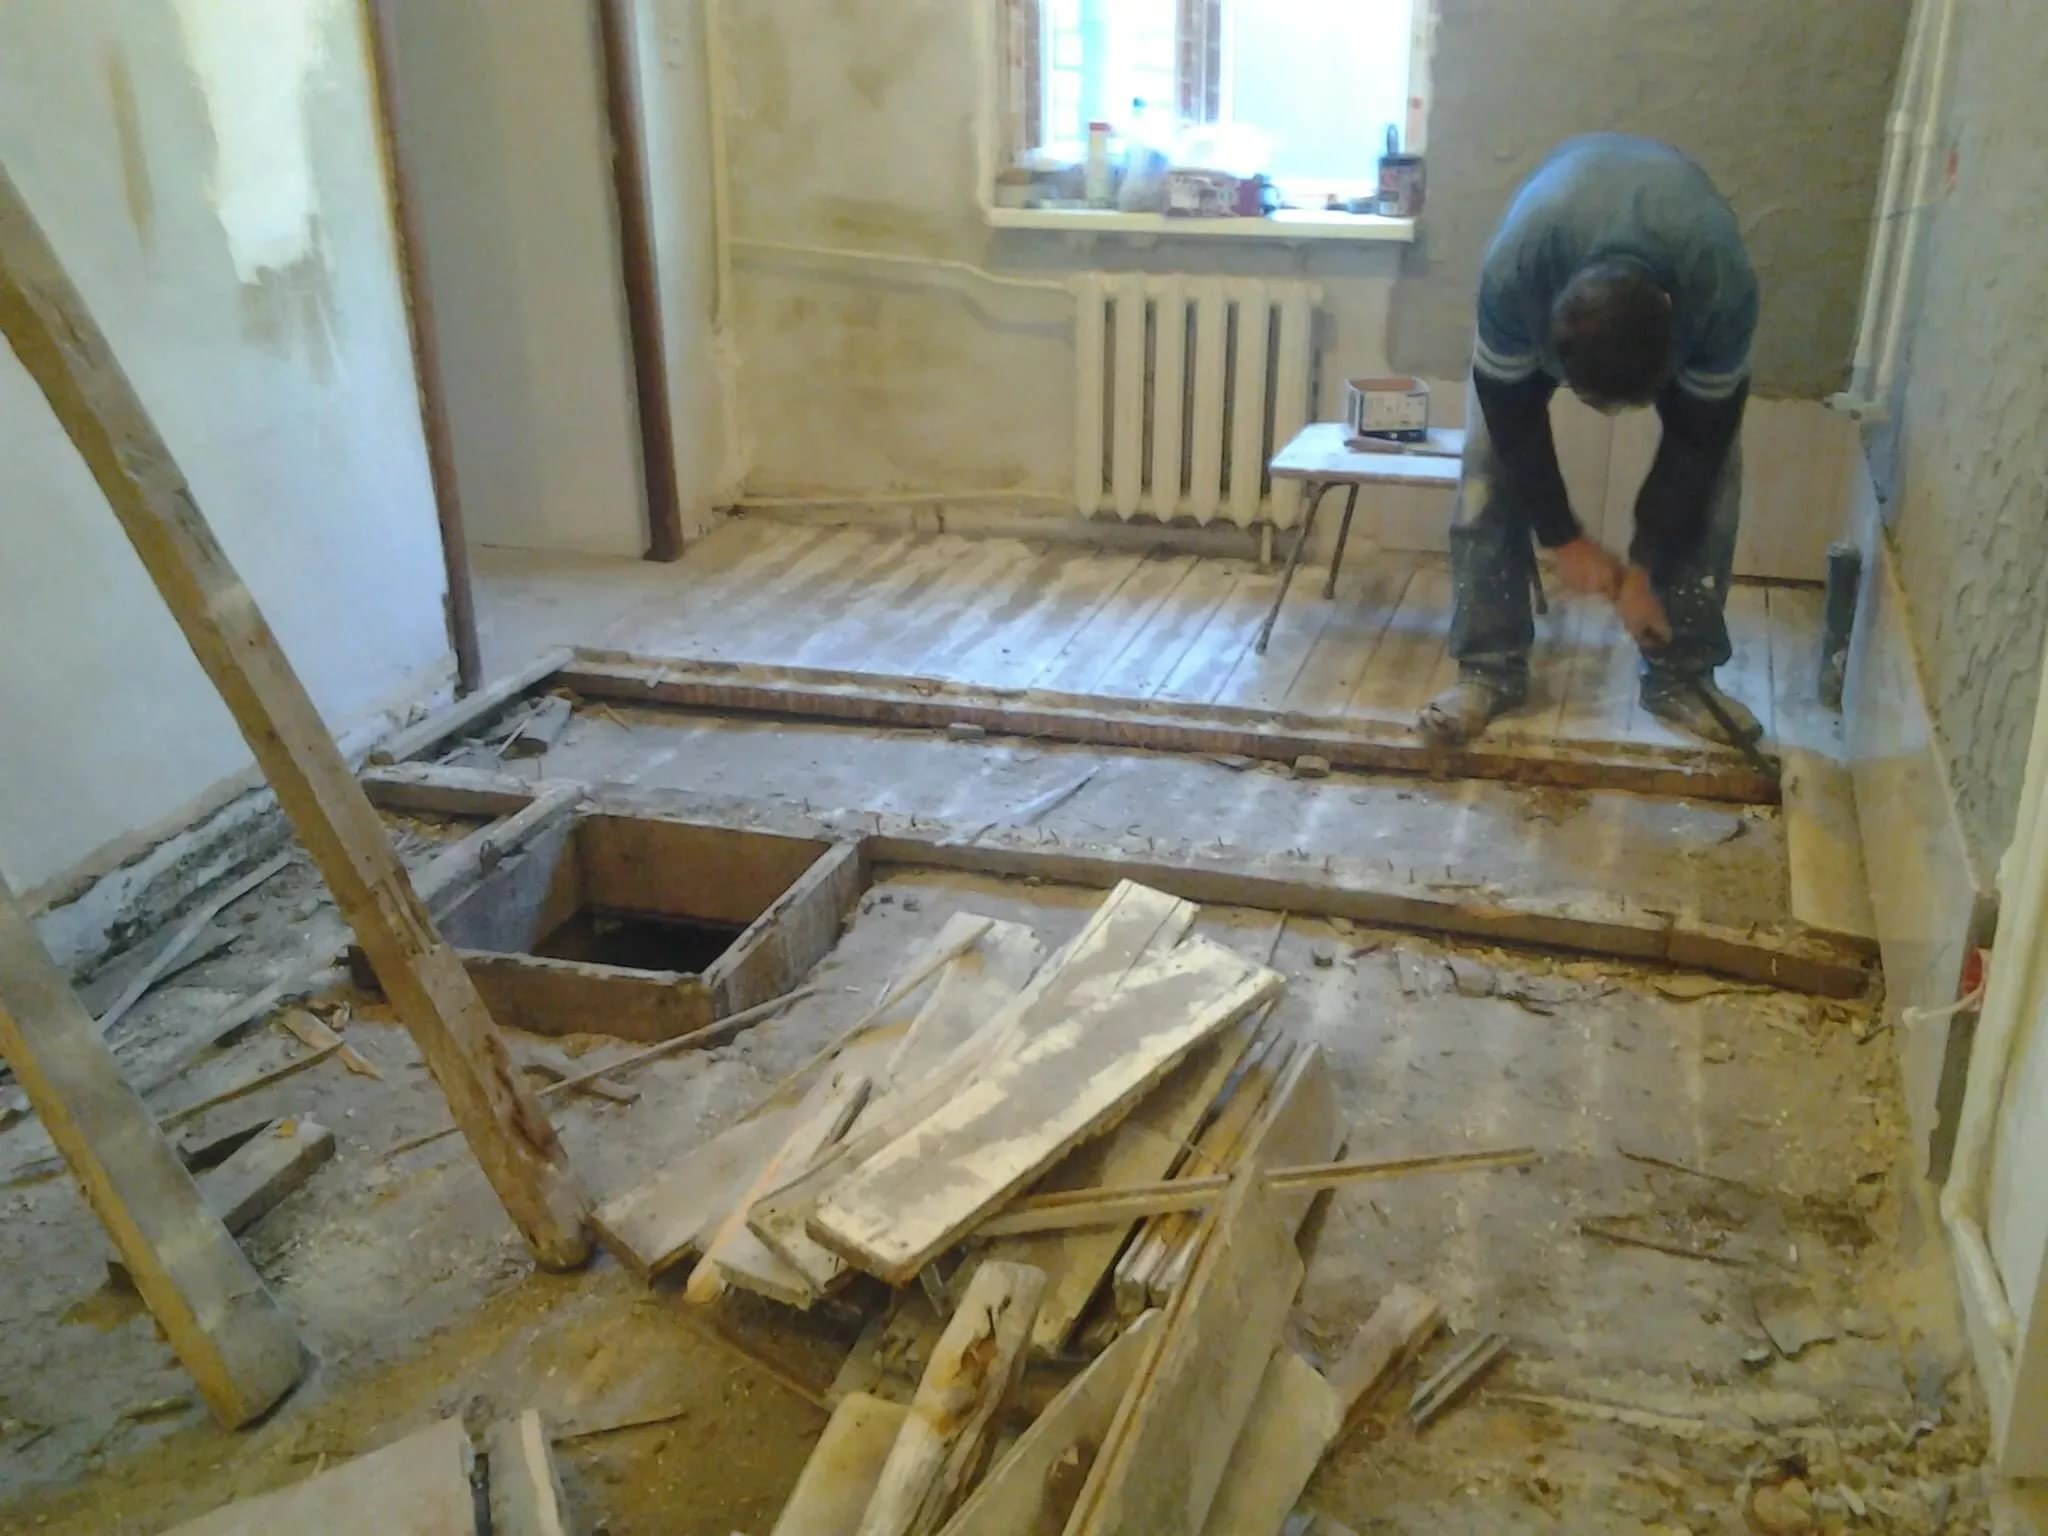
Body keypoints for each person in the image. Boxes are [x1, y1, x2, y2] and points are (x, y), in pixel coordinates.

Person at [1418, 133, 1761, 747]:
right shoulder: (1518, 270)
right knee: (1485, 475)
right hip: (1550, 256)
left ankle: (1682, 677)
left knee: (1715, 483)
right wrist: (1563, 538)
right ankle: (1488, 669)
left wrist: (1646, 567)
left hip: (1686, 275)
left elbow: (1697, 444)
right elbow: (1513, 419)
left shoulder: (1719, 284)